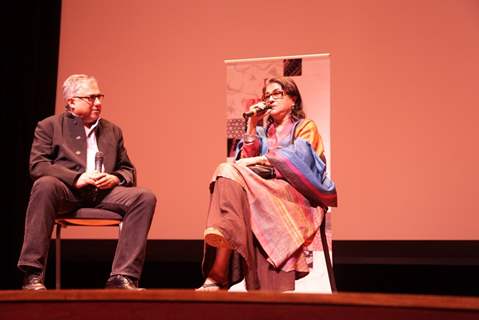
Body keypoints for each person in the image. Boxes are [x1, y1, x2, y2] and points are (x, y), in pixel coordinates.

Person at [197, 77, 337, 291]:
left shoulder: (305, 126)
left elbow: (302, 158)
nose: (270, 99)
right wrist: (252, 123)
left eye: (277, 94)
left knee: (228, 171)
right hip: (262, 187)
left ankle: (219, 270)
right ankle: (224, 240)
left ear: (293, 99)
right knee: (226, 170)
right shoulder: (264, 133)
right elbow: (241, 161)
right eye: (267, 95)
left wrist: (259, 160)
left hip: (295, 193)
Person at [18, 74, 157, 290]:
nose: (98, 103)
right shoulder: (49, 126)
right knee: (44, 184)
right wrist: (76, 178)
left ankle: (122, 276)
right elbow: (38, 166)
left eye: (99, 96)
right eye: (91, 98)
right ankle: (33, 273)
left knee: (145, 197)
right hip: (67, 193)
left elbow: (128, 169)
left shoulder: (113, 130)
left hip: (103, 194)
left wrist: (115, 178)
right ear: (71, 101)